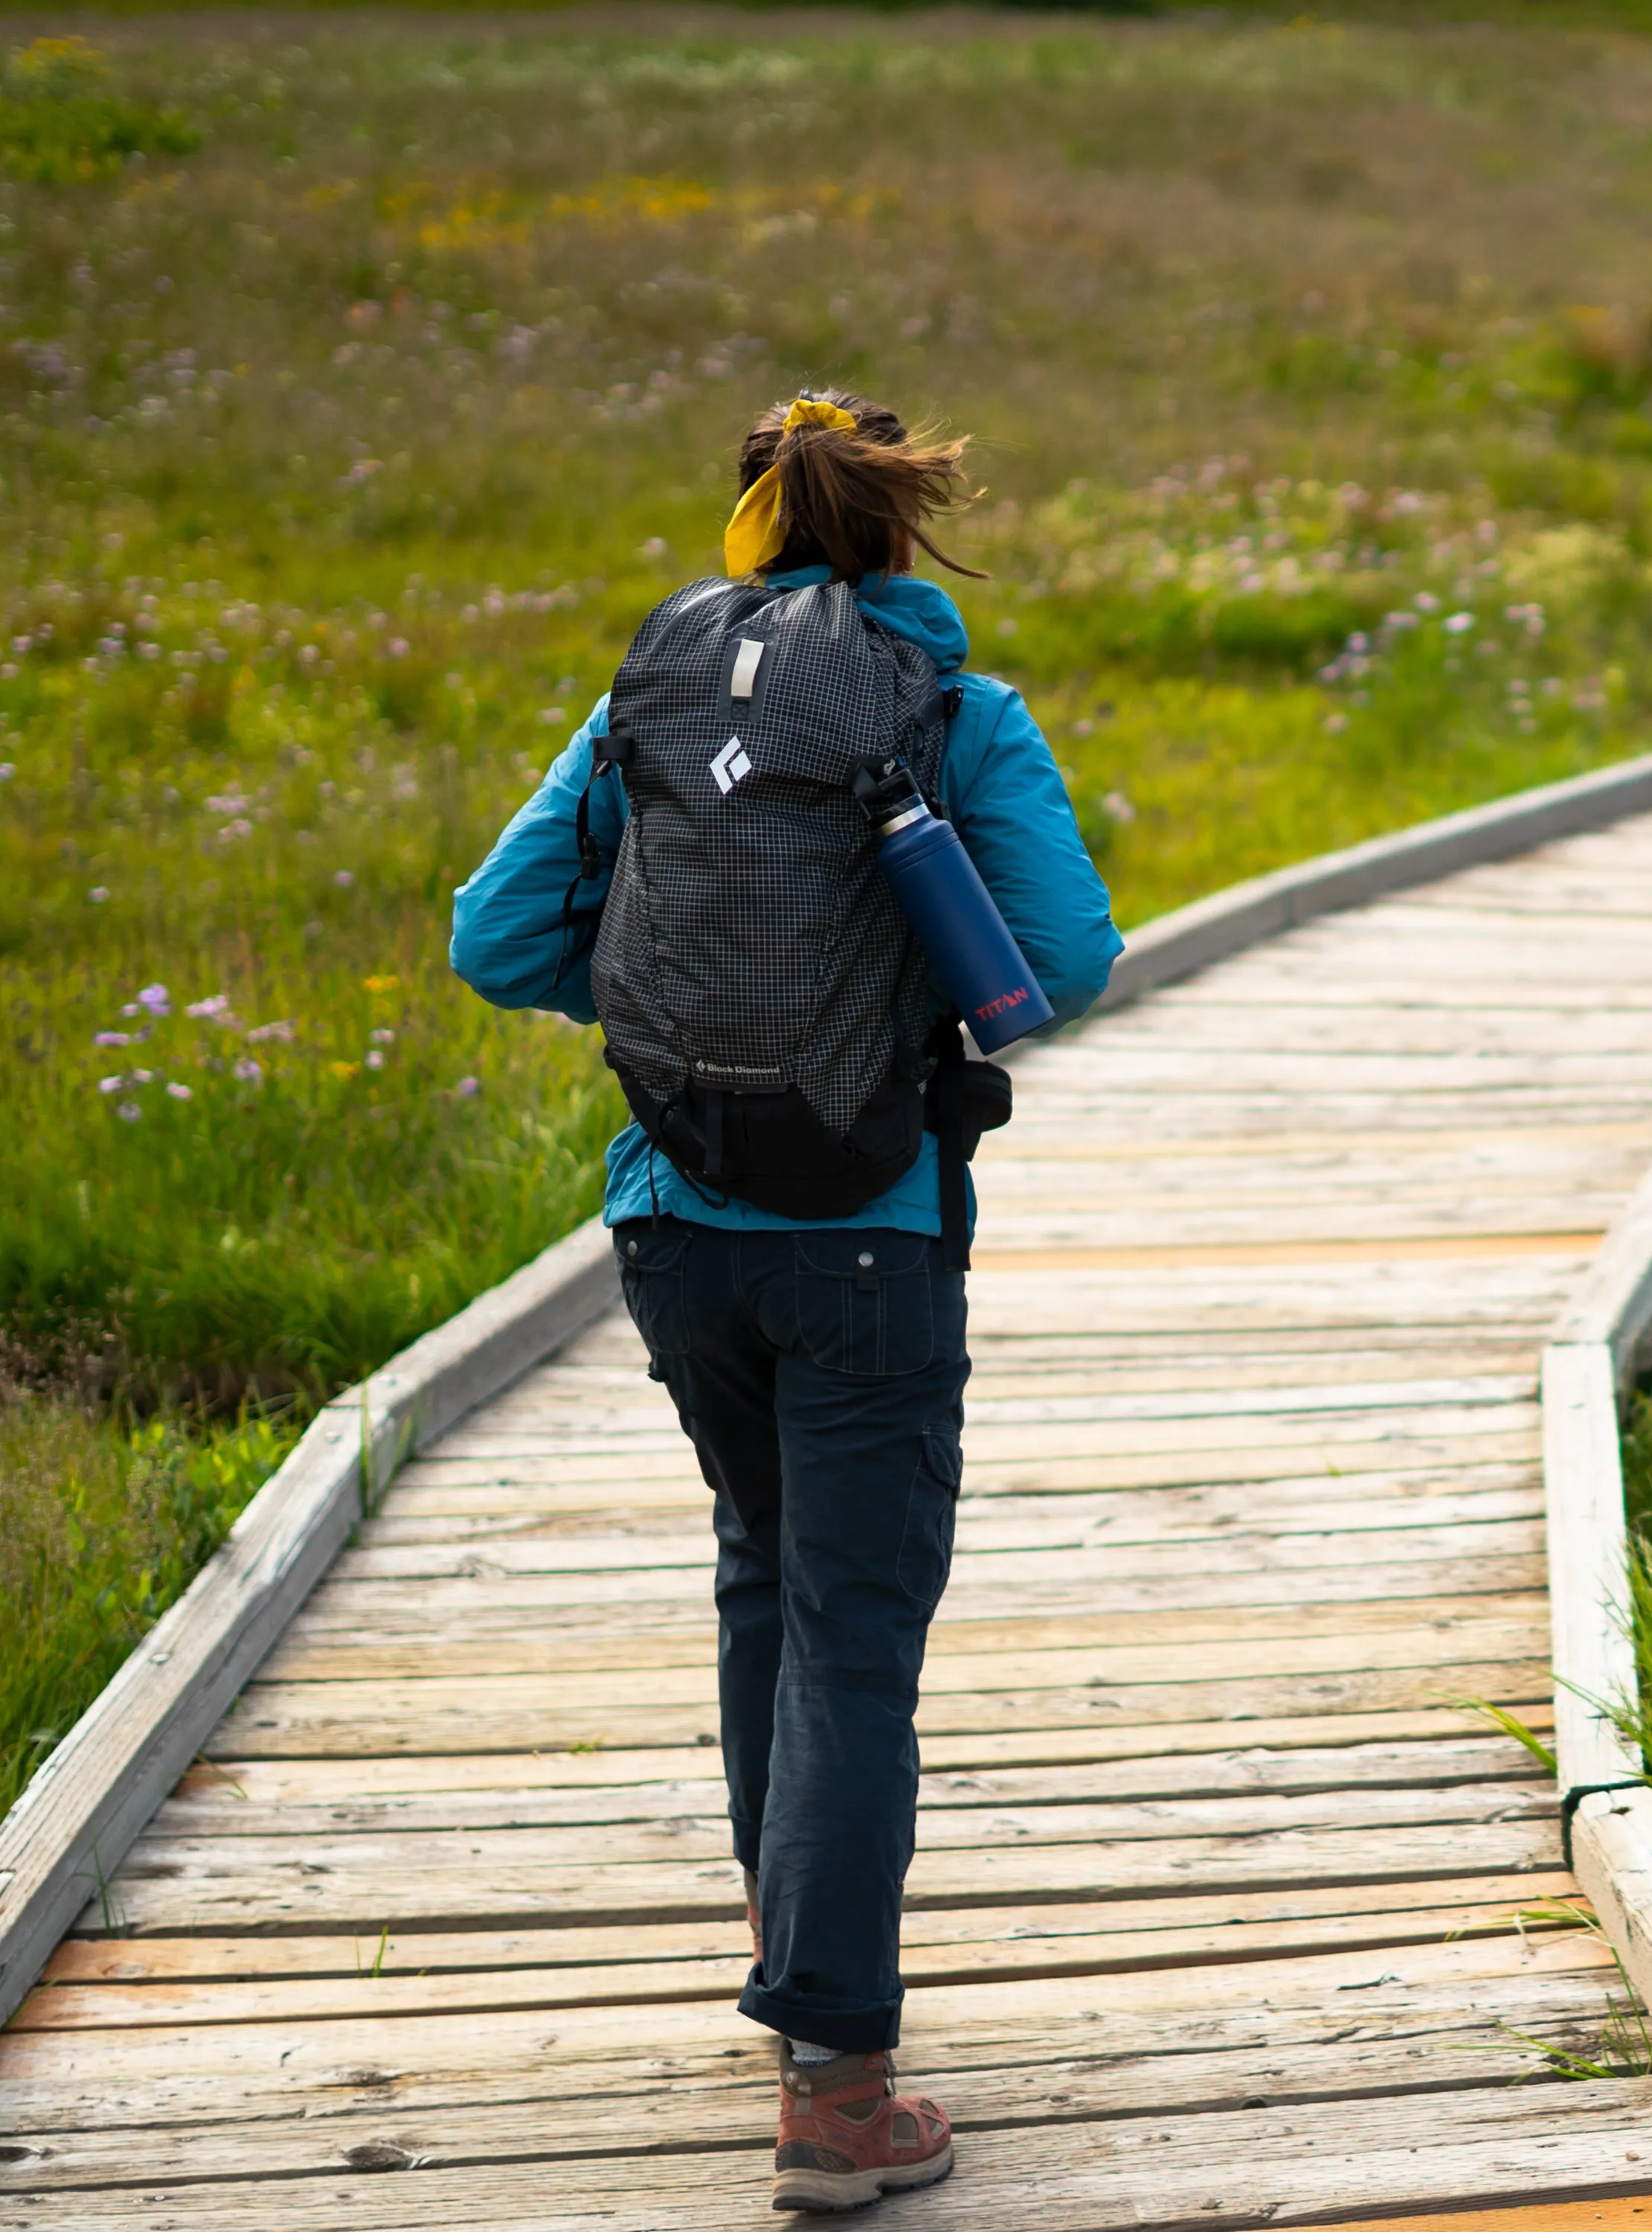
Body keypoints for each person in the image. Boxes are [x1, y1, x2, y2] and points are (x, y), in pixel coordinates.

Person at [450, 389, 1122, 2213]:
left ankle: (793, 1931)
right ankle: (837, 2089)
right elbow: (1061, 963)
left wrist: (694, 1024)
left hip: (676, 1226)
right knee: (851, 1628)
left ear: (747, 524)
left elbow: (495, 938)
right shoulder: (955, 715)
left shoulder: (645, 703)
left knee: (761, 1566)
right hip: (870, 1236)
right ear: (900, 531)